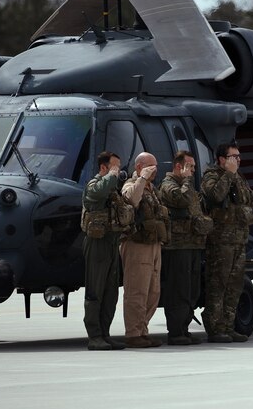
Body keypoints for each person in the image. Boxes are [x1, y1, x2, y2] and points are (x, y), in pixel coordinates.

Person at [200, 142, 253, 343]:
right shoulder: (212, 175)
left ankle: (228, 325)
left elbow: (248, 200)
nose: (238, 160)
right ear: (222, 159)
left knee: (235, 284)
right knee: (219, 283)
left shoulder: (239, 177)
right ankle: (215, 327)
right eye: (233, 156)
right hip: (220, 241)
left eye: (239, 156)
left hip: (239, 239)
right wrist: (229, 174)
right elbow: (215, 195)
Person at [158, 150, 211, 346]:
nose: (193, 171)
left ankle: (184, 328)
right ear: (179, 166)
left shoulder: (188, 187)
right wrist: (188, 181)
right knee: (178, 289)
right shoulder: (168, 185)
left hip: (193, 245)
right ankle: (176, 331)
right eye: (190, 167)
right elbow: (181, 200)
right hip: (177, 247)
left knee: (192, 289)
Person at [81, 151, 128, 351]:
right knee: (96, 290)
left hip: (112, 241)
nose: (118, 171)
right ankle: (94, 336)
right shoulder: (94, 185)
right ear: (103, 168)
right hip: (97, 243)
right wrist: (112, 176)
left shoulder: (112, 189)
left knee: (110, 293)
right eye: (115, 166)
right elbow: (97, 193)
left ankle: (105, 333)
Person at [120, 152, 168, 348]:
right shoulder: (131, 184)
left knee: (153, 291)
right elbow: (131, 200)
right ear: (139, 167)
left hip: (153, 244)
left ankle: (142, 329)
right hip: (137, 244)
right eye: (150, 166)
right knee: (136, 290)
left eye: (155, 166)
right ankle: (133, 333)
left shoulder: (152, 189)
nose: (154, 170)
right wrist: (141, 179)